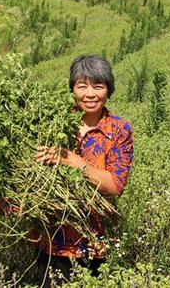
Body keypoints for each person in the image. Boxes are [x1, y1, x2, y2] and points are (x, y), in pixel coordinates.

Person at [32, 54, 134, 286]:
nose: (90, 94)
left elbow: (114, 186)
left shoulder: (119, 129)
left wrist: (75, 162)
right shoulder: (52, 121)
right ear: (72, 90)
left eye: (98, 86)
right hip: (51, 242)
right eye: (82, 86)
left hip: (96, 245)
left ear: (108, 90)